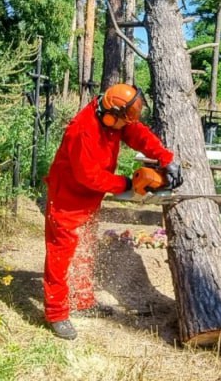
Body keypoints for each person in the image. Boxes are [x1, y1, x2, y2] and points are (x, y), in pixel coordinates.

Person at [41, 83, 182, 340]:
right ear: (110, 115)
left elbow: (136, 133)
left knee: (84, 248)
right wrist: (126, 184)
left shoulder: (113, 117)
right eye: (123, 121)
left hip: (89, 198)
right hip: (67, 199)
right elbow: (89, 176)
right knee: (61, 256)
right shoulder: (81, 132)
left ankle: (83, 301)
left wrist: (165, 157)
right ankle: (56, 313)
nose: (125, 126)